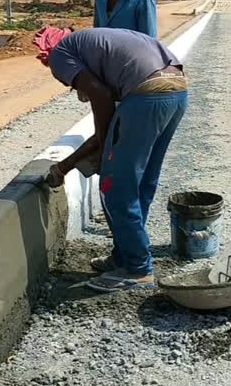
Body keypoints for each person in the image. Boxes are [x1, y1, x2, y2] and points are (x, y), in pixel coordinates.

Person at [34, 26, 187, 292]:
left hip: (146, 95)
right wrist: (69, 165)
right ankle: (124, 255)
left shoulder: (60, 54)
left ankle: (137, 269)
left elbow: (102, 100)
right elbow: (109, 119)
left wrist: (106, 153)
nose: (67, 83)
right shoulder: (98, 42)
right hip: (177, 91)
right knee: (142, 182)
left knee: (116, 187)